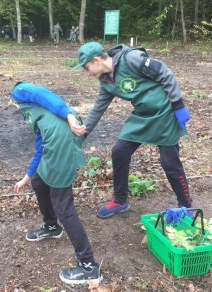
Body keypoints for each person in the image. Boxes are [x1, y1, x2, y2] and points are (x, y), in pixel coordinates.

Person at [72, 42, 192, 218]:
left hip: (165, 111)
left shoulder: (132, 59)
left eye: (86, 68)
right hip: (142, 115)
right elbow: (98, 108)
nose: (87, 73)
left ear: (97, 60)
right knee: (119, 151)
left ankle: (186, 206)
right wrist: (83, 133)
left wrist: (178, 105)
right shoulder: (106, 81)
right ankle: (120, 201)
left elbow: (165, 73)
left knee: (169, 162)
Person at [11, 82, 102, 285]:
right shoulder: (35, 117)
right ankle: (51, 227)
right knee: (39, 182)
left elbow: (42, 93)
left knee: (63, 206)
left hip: (63, 142)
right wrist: (27, 176)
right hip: (53, 141)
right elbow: (39, 147)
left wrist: (69, 116)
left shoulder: (19, 91)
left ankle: (89, 266)